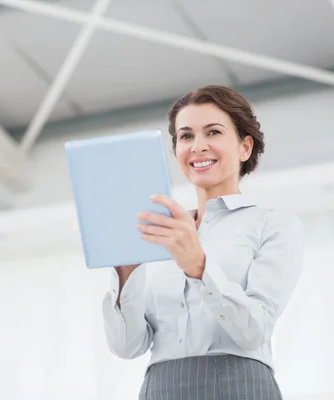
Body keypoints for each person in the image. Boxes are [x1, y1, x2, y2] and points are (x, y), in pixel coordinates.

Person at [101, 85, 304, 400]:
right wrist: (125, 273)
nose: (197, 146)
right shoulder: (159, 231)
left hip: (239, 386)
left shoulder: (272, 224)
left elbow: (254, 331)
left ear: (244, 148)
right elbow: (127, 346)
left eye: (213, 132)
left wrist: (199, 268)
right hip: (160, 388)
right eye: (185, 136)